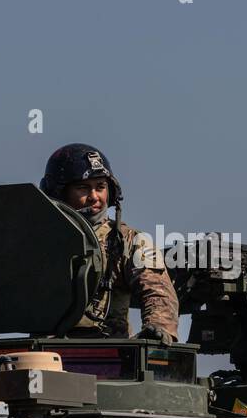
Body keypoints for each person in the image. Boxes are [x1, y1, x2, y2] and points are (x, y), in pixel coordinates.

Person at [39, 144, 179, 342]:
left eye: (100, 187)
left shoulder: (130, 241)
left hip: (109, 358)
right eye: (82, 187)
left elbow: (158, 293)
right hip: (44, 356)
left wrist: (157, 326)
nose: (94, 197)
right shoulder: (37, 242)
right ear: (59, 192)